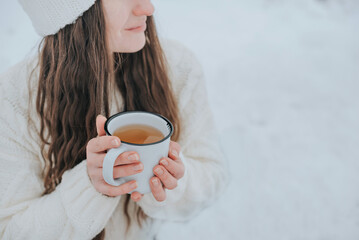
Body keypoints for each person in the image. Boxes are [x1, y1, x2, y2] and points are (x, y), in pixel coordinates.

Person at [0, 0, 230, 239]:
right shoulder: (13, 99)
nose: (147, 9)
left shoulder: (177, 66)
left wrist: (171, 178)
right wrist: (90, 186)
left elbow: (212, 174)